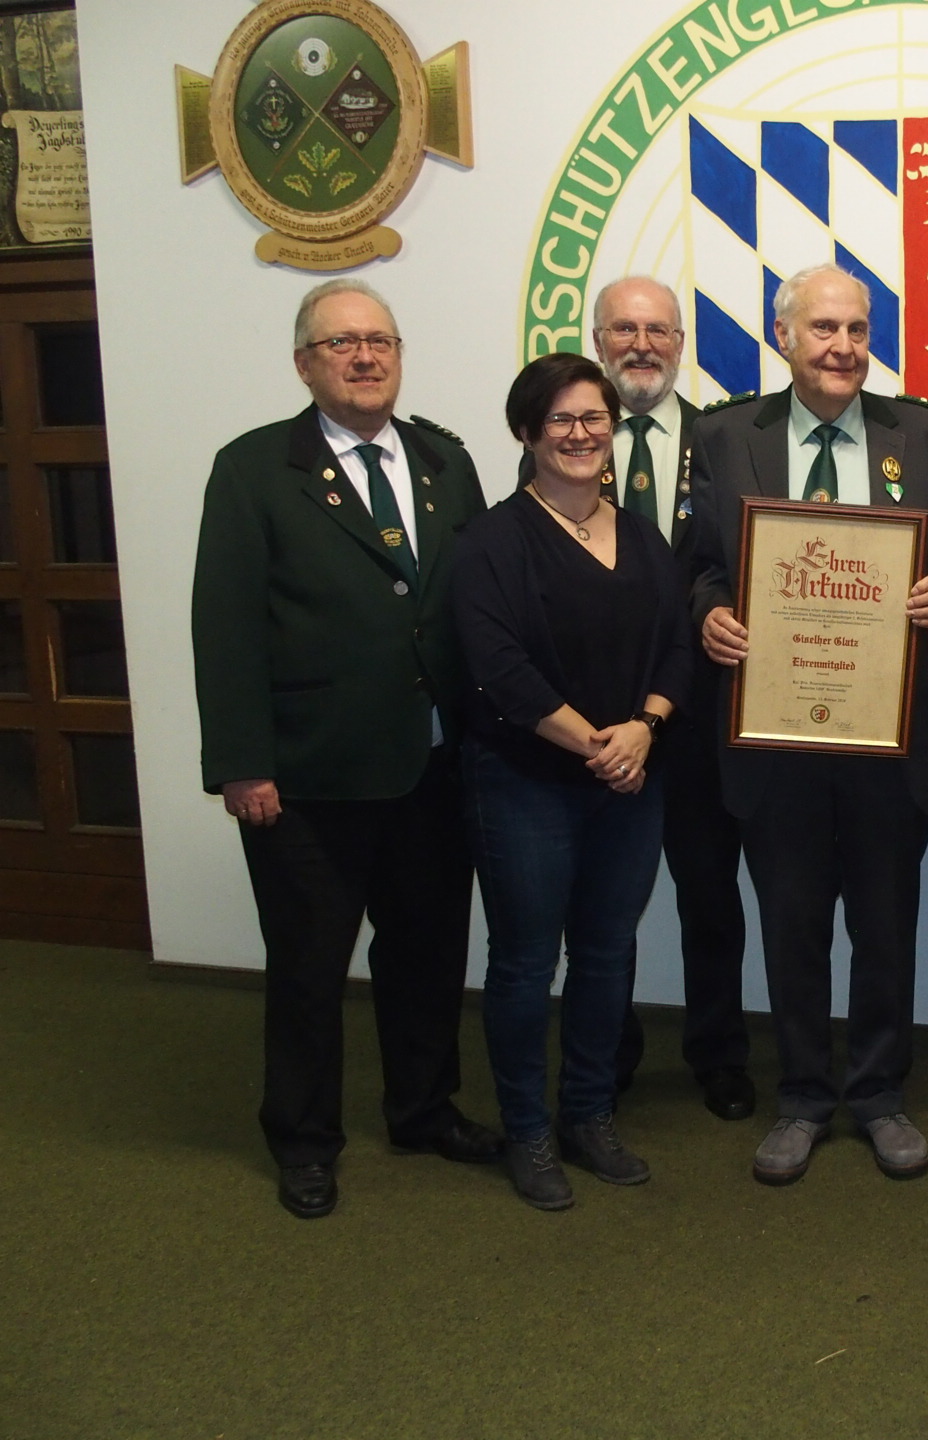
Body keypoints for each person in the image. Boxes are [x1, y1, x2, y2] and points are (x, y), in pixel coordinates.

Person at [191, 279, 499, 1220]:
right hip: (308, 777)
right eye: (342, 345)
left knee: (429, 955)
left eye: (380, 342)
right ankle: (303, 1138)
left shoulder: (446, 461)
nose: (365, 358)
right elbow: (226, 625)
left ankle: (422, 1109)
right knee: (311, 970)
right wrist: (243, 764)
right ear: (304, 364)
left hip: (434, 767)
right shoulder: (253, 470)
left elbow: (472, 609)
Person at [689, 263, 928, 1185]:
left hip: (889, 734)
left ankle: (883, 1094)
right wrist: (709, 615)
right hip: (776, 732)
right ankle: (805, 1096)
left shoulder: (924, 434)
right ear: (784, 338)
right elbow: (698, 567)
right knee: (793, 923)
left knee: (887, 925)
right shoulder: (724, 435)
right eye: (823, 329)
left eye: (856, 329)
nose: (843, 347)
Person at [453, 352, 691, 1211]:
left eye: (595, 419)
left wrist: (646, 728)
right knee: (523, 963)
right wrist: (595, 742)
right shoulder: (489, 543)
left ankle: (589, 1114)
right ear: (527, 432)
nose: (582, 434)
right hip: (525, 782)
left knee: (606, 952)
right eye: (562, 420)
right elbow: (496, 669)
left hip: (629, 779)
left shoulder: (643, 537)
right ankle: (527, 1131)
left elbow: (678, 645)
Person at [590, 275, 755, 1124]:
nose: (641, 345)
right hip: (599, 725)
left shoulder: (722, 441)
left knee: (709, 896)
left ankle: (719, 1053)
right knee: (606, 902)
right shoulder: (567, 440)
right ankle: (605, 1054)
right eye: (624, 329)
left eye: (657, 330)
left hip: (694, 718)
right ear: (599, 340)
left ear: (681, 344)